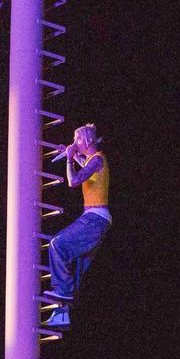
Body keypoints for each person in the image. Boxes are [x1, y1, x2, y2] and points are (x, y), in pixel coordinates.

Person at [42, 123, 110, 328]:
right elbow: (85, 165)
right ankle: (62, 313)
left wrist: (69, 159)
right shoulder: (93, 160)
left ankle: (62, 293)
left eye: (77, 140)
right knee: (76, 268)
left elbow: (73, 181)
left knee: (57, 244)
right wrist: (70, 154)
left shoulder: (97, 158)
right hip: (97, 220)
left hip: (94, 219)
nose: (74, 143)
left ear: (87, 141)